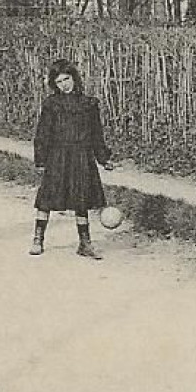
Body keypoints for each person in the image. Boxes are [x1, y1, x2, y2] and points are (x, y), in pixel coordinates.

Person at [32, 59, 115, 259]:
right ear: (54, 84)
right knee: (47, 198)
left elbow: (96, 134)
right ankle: (38, 238)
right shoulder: (52, 105)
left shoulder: (88, 104)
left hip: (81, 157)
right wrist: (41, 160)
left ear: (74, 78)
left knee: (82, 199)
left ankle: (85, 243)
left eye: (67, 79)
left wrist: (103, 158)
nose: (64, 85)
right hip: (58, 157)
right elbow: (43, 133)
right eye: (59, 82)